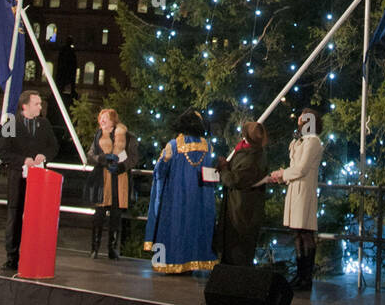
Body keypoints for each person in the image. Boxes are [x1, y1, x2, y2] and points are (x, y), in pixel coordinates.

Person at [144, 108, 217, 274]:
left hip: (176, 196)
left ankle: (172, 262)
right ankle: (193, 263)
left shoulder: (173, 145)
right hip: (199, 197)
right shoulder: (207, 146)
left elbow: (160, 173)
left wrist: (164, 161)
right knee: (194, 227)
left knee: (175, 227)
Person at [0, 88, 58, 274]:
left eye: (40, 104)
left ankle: (33, 254)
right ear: (25, 106)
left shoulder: (44, 123)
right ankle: (12, 257)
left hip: (39, 179)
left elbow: (54, 146)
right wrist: (23, 160)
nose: (40, 107)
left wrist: (44, 155)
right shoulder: (11, 123)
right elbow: (3, 152)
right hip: (18, 177)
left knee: (37, 216)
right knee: (14, 216)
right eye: (36, 104)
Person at [270, 107, 324, 292]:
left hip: (304, 189)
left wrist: (282, 173)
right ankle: (300, 274)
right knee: (298, 233)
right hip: (295, 188)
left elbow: (301, 168)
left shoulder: (313, 141)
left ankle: (306, 276)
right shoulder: (300, 141)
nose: (299, 120)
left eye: (302, 119)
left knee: (306, 231)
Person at [213, 120, 268, 266]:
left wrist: (224, 168)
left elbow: (234, 180)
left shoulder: (252, 157)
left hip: (242, 211)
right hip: (238, 207)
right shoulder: (247, 152)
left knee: (238, 251)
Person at [87, 107, 139, 259]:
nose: (102, 121)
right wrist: (102, 159)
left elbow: (134, 157)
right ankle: (94, 248)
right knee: (99, 214)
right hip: (102, 179)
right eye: (101, 117)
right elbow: (90, 154)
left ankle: (112, 249)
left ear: (113, 120)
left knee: (116, 215)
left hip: (119, 179)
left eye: (105, 118)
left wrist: (122, 166)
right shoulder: (98, 136)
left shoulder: (127, 136)